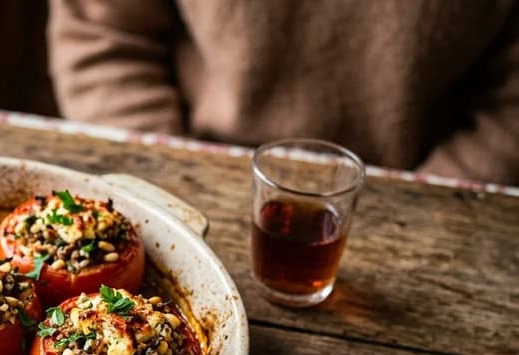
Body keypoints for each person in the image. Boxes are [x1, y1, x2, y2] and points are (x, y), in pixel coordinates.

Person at [47, 0, 519, 185]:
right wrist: (173, 183)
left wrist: (418, 206)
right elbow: (102, 40)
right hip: (196, 173)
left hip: (419, 190)